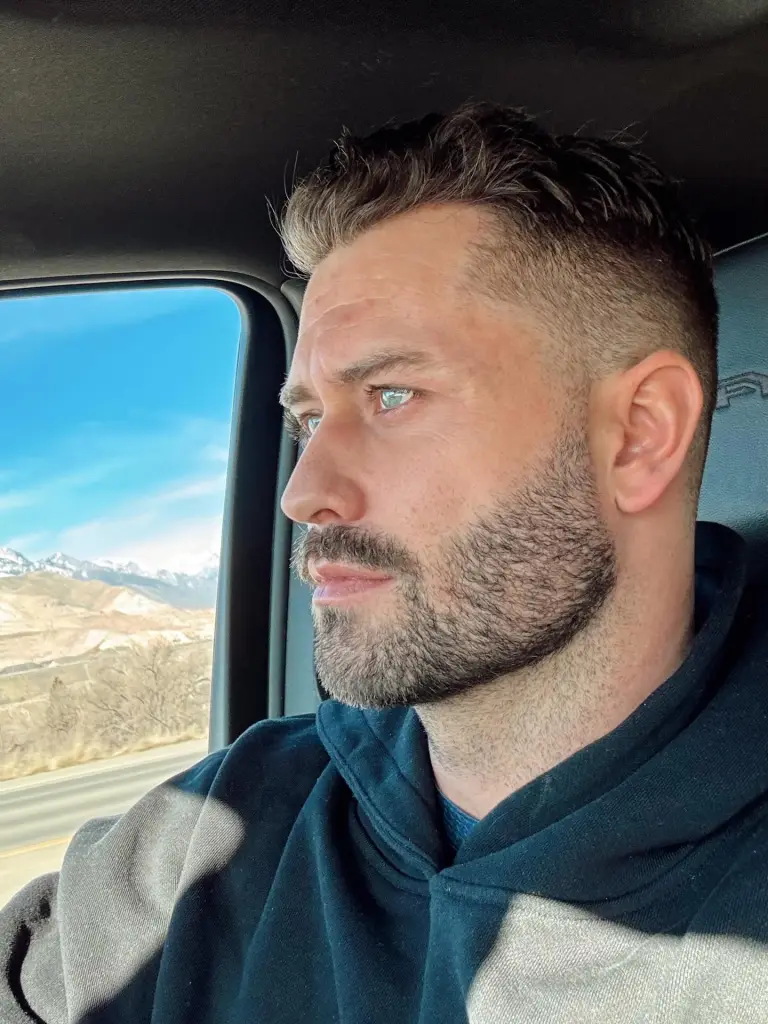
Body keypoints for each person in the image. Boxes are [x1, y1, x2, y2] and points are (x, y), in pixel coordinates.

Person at [2, 101, 767, 1024]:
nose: (302, 492)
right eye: (308, 419)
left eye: (393, 394)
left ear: (640, 436)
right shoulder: (220, 828)